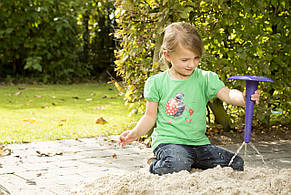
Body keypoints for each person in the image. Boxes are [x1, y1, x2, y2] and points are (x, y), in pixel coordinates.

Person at [119, 22, 261, 175]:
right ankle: (155, 164)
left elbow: (227, 94)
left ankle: (189, 162)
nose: (192, 64)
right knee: (177, 163)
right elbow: (149, 116)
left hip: (199, 145)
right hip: (169, 143)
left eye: (196, 58)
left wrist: (243, 98)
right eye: (185, 60)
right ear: (168, 55)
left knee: (236, 163)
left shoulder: (205, 78)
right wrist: (135, 133)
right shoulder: (157, 83)